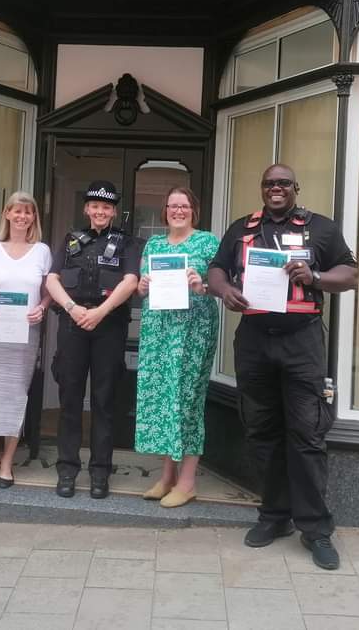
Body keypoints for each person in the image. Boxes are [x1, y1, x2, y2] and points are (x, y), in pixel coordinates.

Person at [207, 164, 358, 570]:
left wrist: (316, 275)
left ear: (295, 188)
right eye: (269, 183)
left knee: (307, 434)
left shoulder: (320, 228)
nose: (276, 188)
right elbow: (216, 268)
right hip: (255, 340)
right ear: (262, 188)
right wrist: (224, 290)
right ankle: (274, 516)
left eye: (283, 183)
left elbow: (351, 275)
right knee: (262, 432)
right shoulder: (242, 228)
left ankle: (316, 529)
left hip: (301, 342)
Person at [45, 180, 140, 499]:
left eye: (106, 207)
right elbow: (52, 279)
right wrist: (72, 309)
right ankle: (67, 469)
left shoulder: (127, 243)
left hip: (109, 326)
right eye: (95, 206)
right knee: (70, 399)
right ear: (87, 209)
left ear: (113, 212)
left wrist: (100, 311)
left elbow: (130, 281)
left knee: (104, 401)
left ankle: (100, 472)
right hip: (73, 325)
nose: (100, 211)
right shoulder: (71, 239)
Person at [134, 187, 220, 508]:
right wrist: (142, 286)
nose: (178, 211)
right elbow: (143, 288)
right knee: (164, 400)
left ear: (193, 210)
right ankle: (168, 477)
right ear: (165, 210)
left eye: (184, 206)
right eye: (172, 206)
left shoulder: (208, 242)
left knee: (188, 400)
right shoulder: (154, 244)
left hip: (193, 331)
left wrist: (202, 285)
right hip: (158, 331)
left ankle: (187, 482)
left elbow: (221, 284)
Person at [0, 191, 52, 489]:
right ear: (6, 213)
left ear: (34, 217)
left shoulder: (42, 251)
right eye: (16, 211)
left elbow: (47, 293)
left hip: (24, 334)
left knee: (17, 395)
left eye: (27, 212)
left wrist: (42, 308)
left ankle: (7, 462)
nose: (22, 216)